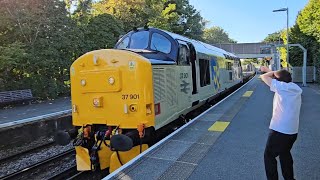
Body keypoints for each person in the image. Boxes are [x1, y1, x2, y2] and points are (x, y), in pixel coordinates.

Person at [260, 66, 302, 180]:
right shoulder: (295, 88)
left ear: (278, 81)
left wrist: (270, 72)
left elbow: (263, 77)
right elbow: (280, 78)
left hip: (280, 131)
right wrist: (274, 73)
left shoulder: (281, 87)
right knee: (284, 154)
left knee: (269, 156)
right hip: (292, 131)